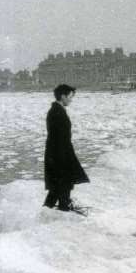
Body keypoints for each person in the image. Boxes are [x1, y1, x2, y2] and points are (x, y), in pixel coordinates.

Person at [44, 84, 89, 212]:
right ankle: (62, 211)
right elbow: (59, 139)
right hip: (60, 155)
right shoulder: (57, 112)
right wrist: (66, 158)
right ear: (62, 96)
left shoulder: (57, 110)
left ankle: (49, 212)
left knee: (58, 187)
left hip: (58, 153)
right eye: (70, 97)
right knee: (62, 185)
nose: (71, 100)